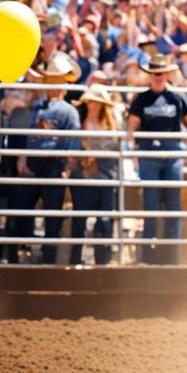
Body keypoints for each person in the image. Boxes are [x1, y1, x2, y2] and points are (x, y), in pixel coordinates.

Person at [126, 54, 187, 265]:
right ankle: (148, 258)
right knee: (150, 206)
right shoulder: (142, 99)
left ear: (167, 74)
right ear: (151, 76)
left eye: (161, 73)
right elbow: (131, 128)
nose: (158, 77)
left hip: (171, 157)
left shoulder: (177, 97)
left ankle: (172, 258)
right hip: (149, 156)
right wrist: (133, 152)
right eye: (155, 74)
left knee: (173, 206)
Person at [11, 54, 81, 264]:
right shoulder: (38, 107)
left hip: (54, 166)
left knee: (52, 217)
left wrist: (66, 168)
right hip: (34, 164)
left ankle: (48, 258)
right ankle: (24, 251)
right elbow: (28, 133)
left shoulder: (68, 111)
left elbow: (73, 141)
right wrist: (23, 157)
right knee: (23, 210)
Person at [67, 84, 120, 265]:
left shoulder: (111, 125)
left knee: (104, 221)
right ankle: (76, 260)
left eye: (96, 102)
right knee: (79, 220)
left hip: (104, 176)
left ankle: (102, 261)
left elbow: (115, 149)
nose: (93, 106)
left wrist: (94, 154)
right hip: (83, 176)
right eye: (91, 102)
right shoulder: (79, 121)